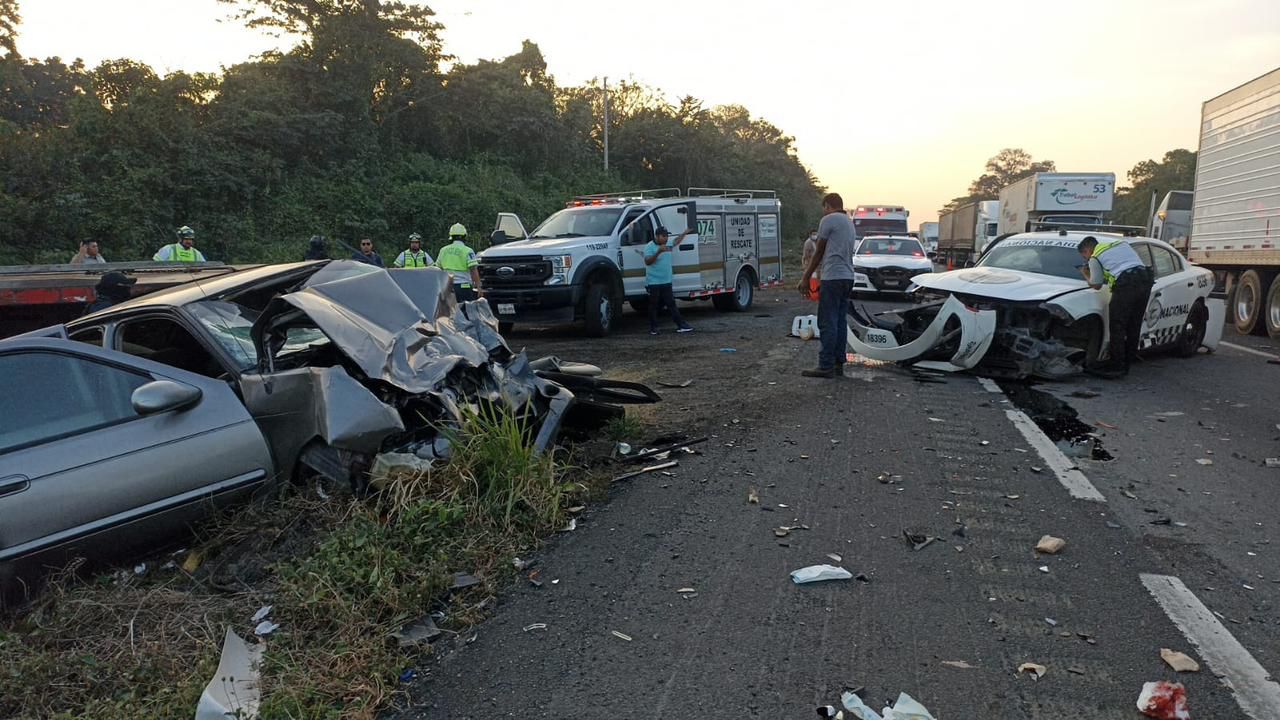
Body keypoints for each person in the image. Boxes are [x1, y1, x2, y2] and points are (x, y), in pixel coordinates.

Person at [797, 193, 857, 378]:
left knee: (827, 321)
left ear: (828, 206)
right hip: (848, 277)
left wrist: (806, 277)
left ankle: (825, 365)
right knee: (839, 321)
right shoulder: (849, 222)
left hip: (833, 278)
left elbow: (819, 252)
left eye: (824, 208)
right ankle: (838, 363)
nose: (823, 211)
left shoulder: (828, 220)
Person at [1078, 235, 1154, 378]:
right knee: (1134, 324)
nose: (1086, 259)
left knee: (1117, 325)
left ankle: (1116, 365)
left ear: (1087, 249)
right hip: (1145, 280)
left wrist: (1085, 273)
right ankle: (1128, 360)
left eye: (1084, 255)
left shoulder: (1096, 257)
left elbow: (1096, 284)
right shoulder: (1120, 244)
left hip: (1127, 285)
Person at [644, 225, 694, 335]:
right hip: (654, 281)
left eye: (667, 236)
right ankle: (653, 327)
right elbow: (647, 261)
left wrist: (684, 233)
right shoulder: (649, 246)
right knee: (654, 304)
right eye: (663, 236)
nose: (666, 238)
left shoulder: (667, 244)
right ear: (657, 236)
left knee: (671, 303)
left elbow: (676, 241)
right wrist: (658, 252)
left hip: (666, 281)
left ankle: (681, 325)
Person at [436, 223, 483, 302]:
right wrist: (479, 287)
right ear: (465, 236)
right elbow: (473, 270)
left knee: (449, 312)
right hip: (464, 287)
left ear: (451, 236)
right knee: (466, 311)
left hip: (447, 287)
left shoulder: (443, 250)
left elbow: (437, 269)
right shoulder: (468, 251)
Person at [800, 228, 820, 298]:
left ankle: (815, 293)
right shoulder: (808, 243)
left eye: (816, 234)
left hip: (817, 264)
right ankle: (808, 293)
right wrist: (807, 265)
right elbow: (806, 255)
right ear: (810, 235)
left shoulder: (818, 241)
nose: (815, 235)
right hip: (810, 264)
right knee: (810, 279)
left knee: (816, 280)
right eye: (813, 234)